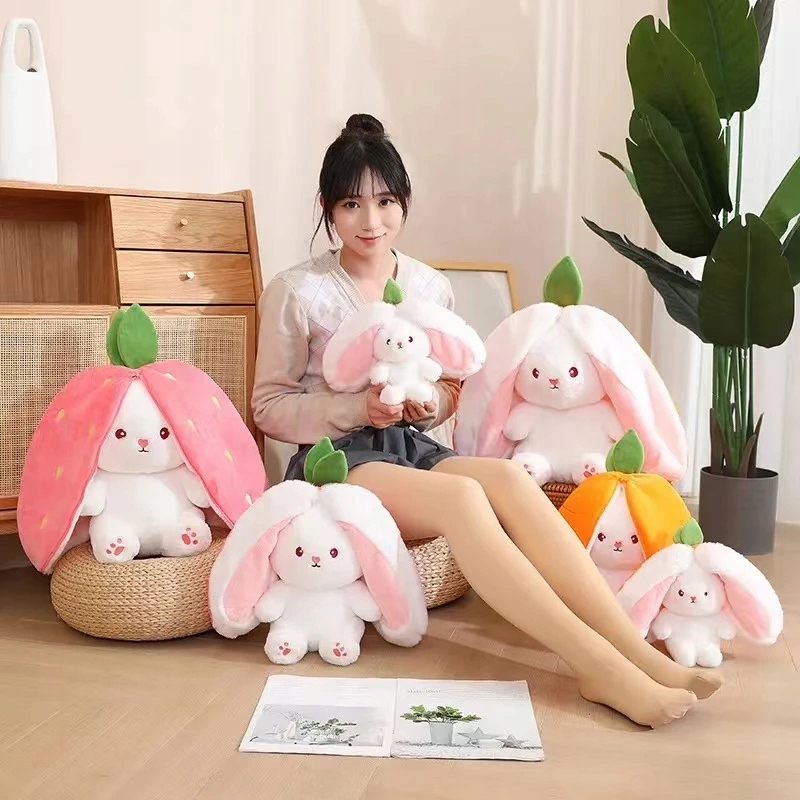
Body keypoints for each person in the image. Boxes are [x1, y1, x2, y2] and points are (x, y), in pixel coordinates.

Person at [251, 113, 723, 729]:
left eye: (386, 201)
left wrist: (429, 404)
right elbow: (268, 406)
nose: (371, 221)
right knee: (464, 500)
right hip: (336, 460)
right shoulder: (296, 291)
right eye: (351, 204)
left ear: (405, 201)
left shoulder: (428, 286)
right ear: (327, 208)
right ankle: (597, 669)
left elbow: (451, 387)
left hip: (408, 446)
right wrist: (354, 409)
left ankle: (636, 653)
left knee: (510, 482)